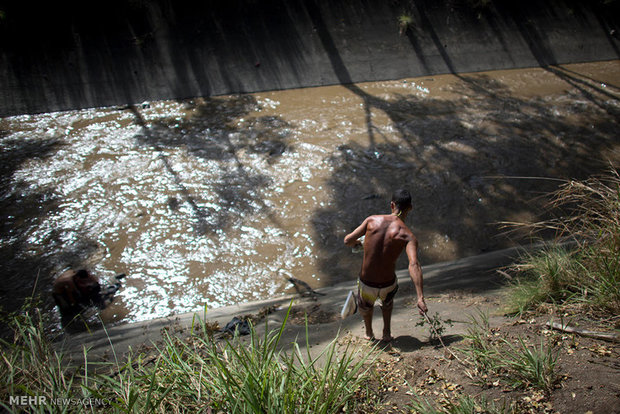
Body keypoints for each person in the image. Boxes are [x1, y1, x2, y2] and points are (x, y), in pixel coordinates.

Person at [344, 189, 428, 342]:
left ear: (392, 205)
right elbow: (414, 264)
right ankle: (387, 333)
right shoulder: (408, 236)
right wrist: (420, 297)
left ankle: (369, 333)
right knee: (387, 305)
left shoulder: (371, 221)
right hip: (388, 284)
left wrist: (359, 243)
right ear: (410, 208)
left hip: (367, 283)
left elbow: (347, 241)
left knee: (365, 306)